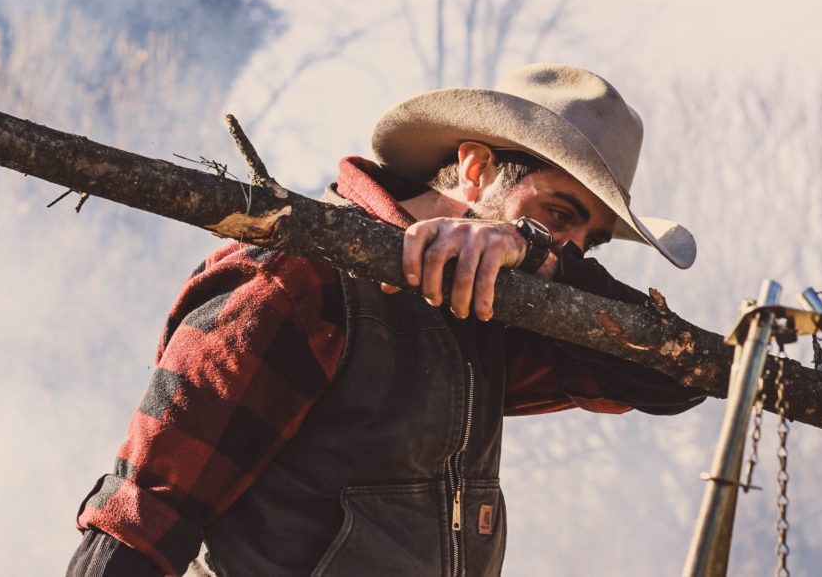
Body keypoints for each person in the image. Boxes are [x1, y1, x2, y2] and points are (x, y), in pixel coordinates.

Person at [66, 63, 705, 576]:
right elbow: (146, 513)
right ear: (477, 169)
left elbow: (671, 380)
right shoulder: (295, 281)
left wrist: (539, 251)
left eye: (583, 243)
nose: (564, 249)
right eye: (556, 216)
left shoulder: (494, 308)